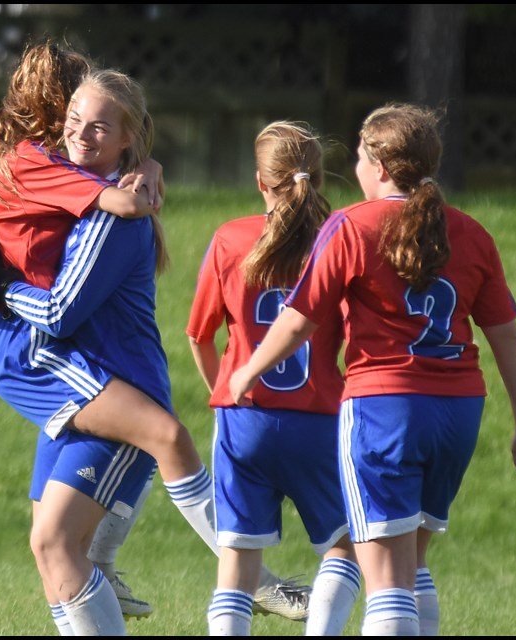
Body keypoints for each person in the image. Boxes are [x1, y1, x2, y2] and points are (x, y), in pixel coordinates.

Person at [0, 40, 308, 626]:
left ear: (127, 138)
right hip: (84, 373)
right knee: (52, 547)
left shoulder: (111, 214)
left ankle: (249, 573)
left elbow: (63, 311)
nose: (79, 133)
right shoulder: (73, 183)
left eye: (100, 126)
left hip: (101, 376)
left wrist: (3, 290)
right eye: (74, 119)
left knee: (151, 454)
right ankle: (121, 566)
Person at [228, 102, 516, 635]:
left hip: (385, 409)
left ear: (376, 166)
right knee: (412, 563)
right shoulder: (471, 232)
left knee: (386, 581)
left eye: (358, 155)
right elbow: (506, 337)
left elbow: (299, 319)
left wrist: (248, 370)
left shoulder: (350, 226)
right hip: (458, 414)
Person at [185, 120, 361, 636]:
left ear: (261, 182)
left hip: (245, 420)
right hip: (319, 420)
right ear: (320, 179)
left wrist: (227, 388)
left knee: (236, 570)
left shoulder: (230, 239)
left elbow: (199, 336)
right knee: (346, 546)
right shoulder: (339, 241)